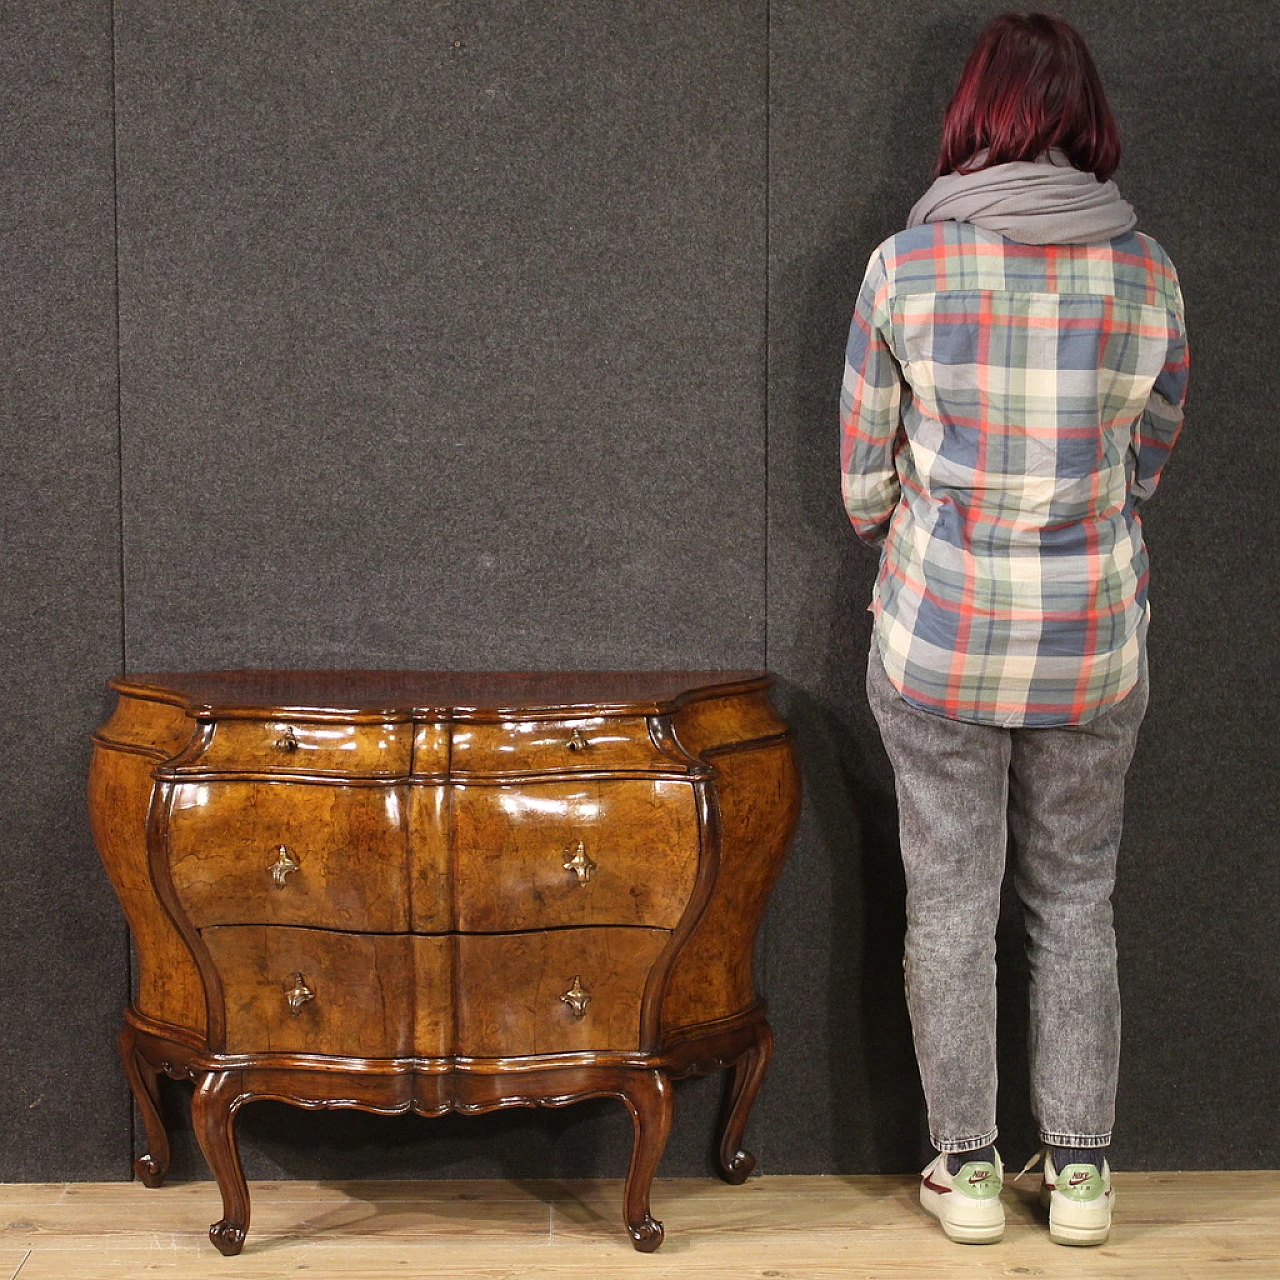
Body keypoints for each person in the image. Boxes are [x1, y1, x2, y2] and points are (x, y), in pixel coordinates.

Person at [839, 11, 1188, 1248]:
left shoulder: (904, 267)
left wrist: (928, 534)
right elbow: (1149, 456)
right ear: (1085, 120)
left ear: (973, 117)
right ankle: (1083, 1176)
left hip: (938, 638)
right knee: (1075, 900)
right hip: (1094, 640)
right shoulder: (1145, 271)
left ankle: (968, 1171)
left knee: (947, 906)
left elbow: (861, 482)